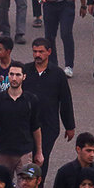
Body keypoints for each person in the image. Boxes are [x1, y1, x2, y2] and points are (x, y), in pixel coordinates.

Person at [22, 38, 75, 174]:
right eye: (35, 51)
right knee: (26, 158)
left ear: (49, 52)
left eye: (41, 51)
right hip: (26, 124)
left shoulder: (58, 74)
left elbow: (65, 101)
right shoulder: (25, 71)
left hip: (48, 125)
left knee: (40, 158)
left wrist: (69, 126)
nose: (37, 55)